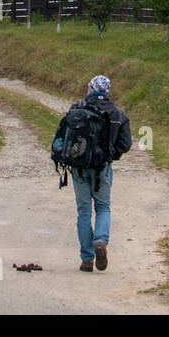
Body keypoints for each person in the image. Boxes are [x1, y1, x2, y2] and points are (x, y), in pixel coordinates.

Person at [51, 75, 132, 272]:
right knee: (103, 207)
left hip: (79, 168)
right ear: (107, 91)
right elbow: (126, 143)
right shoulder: (117, 114)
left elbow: (62, 140)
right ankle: (101, 241)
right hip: (102, 168)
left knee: (84, 211)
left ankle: (87, 259)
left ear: (90, 89)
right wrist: (111, 155)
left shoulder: (77, 110)